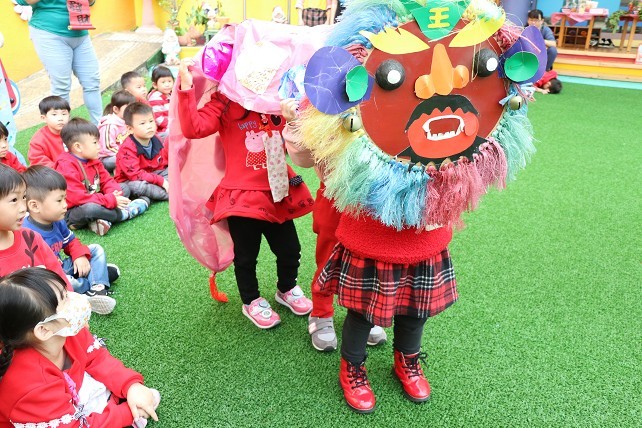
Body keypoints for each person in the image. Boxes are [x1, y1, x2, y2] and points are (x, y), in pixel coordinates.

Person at [176, 58, 314, 329]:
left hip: (277, 191)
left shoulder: (279, 95)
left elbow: (303, 138)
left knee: (290, 249)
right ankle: (251, 300)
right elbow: (193, 128)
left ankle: (286, 288)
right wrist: (186, 87)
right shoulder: (226, 101)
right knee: (247, 256)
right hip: (242, 196)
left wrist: (294, 118)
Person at [281, 98, 387, 352]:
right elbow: (305, 158)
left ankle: (364, 314)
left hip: (374, 198)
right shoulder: (323, 97)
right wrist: (295, 123)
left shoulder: (383, 95)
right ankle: (321, 312)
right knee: (328, 256)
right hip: (334, 195)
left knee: (371, 259)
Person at [0, 268, 161, 427]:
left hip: (65, 395)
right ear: (43, 330)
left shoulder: (66, 332)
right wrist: (130, 412)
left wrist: (131, 386)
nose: (75, 297)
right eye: (65, 298)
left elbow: (97, 358)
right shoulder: (30, 385)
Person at [22, 165, 119, 315]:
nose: (65, 205)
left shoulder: (57, 220)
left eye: (64, 198)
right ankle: (96, 279)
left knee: (95, 249)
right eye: (59, 200)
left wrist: (79, 255)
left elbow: (71, 242)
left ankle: (97, 289)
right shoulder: (27, 233)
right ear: (35, 206)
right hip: (51, 278)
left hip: (62, 267)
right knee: (63, 283)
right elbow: (37, 276)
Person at [54, 118, 149, 236]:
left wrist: (114, 195)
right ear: (78, 147)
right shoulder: (65, 166)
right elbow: (77, 198)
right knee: (90, 209)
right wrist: (110, 200)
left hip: (95, 198)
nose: (99, 146)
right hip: (73, 210)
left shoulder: (93, 159)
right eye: (95, 143)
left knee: (123, 188)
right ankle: (124, 214)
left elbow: (107, 180)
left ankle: (102, 220)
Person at [14, 0, 102, 124]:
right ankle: (64, 133)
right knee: (61, 86)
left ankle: (100, 128)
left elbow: (90, 2)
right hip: (49, 32)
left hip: (80, 31)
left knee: (92, 82)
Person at [0, 164, 69, 284]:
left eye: (24, 197)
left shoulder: (31, 237)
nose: (23, 208)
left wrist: (68, 293)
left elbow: (57, 274)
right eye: (14, 200)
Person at [114, 103, 169, 202]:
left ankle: (150, 196)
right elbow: (135, 175)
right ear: (130, 129)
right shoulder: (127, 148)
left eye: (151, 121)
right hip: (131, 180)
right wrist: (160, 181)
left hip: (153, 174)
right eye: (143, 123)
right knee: (138, 187)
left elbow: (164, 164)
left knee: (173, 171)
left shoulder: (156, 139)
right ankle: (170, 194)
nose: (149, 126)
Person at [98, 90, 136, 173]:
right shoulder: (109, 125)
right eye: (128, 109)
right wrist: (126, 153)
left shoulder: (127, 120)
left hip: (125, 153)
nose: (131, 111)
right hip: (107, 158)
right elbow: (108, 147)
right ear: (116, 109)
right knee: (125, 159)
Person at [27, 96, 70, 168]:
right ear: (44, 118)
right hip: (55, 172)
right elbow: (38, 161)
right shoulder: (38, 141)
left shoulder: (76, 130)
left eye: (64, 114)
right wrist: (61, 168)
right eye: (54, 114)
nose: (60, 118)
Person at [147, 65, 174, 140]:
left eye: (169, 81)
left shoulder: (170, 94)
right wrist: (173, 124)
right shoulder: (155, 98)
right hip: (162, 130)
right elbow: (158, 119)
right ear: (155, 85)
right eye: (163, 82)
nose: (167, 85)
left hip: (171, 122)